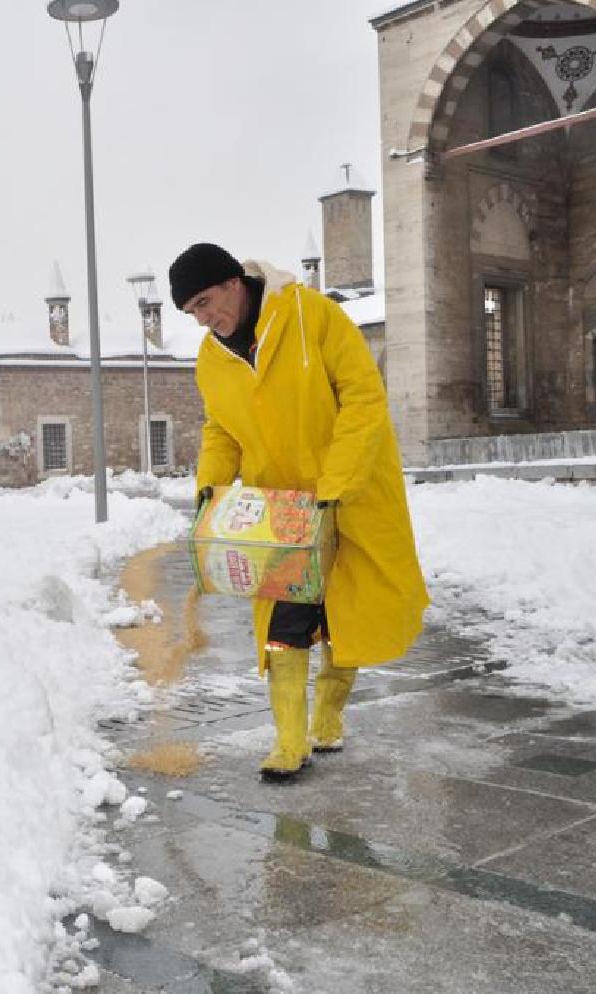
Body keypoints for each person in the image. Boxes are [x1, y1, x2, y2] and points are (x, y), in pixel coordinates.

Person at [169, 242, 428, 782]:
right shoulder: (212, 360)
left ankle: (327, 717)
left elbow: (363, 399)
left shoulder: (314, 316)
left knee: (342, 616)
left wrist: (336, 485)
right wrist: (211, 489)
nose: (203, 319)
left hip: (348, 495)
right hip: (279, 513)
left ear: (234, 282)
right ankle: (289, 740)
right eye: (192, 311)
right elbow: (221, 429)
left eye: (206, 302)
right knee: (283, 621)